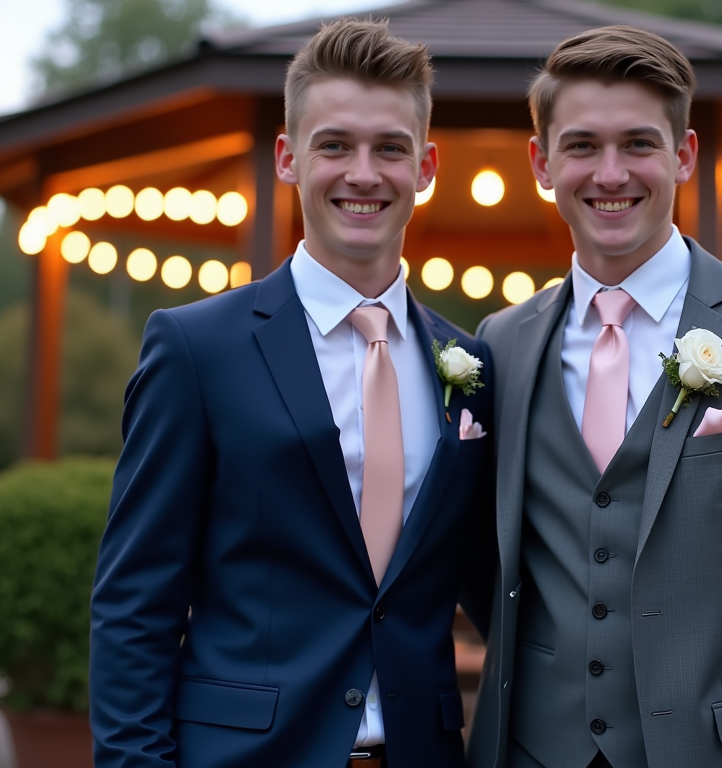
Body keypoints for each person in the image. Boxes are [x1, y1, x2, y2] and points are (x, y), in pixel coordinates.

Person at [467, 24, 722, 768]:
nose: (610, 173)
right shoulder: (499, 343)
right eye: (581, 146)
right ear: (541, 162)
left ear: (683, 155)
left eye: (638, 144)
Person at [90, 18, 494, 768]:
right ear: (288, 158)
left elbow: (494, 588)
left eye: (390, 149)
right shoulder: (197, 347)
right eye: (335, 145)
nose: (363, 173)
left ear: (427, 165)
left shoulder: (466, 363)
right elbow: (134, 605)